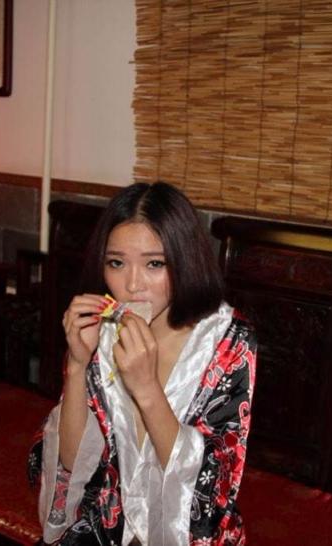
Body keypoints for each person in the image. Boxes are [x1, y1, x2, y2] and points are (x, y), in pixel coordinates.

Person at [28, 182, 257, 545]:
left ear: (184, 260)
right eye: (116, 263)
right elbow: (73, 464)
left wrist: (147, 389)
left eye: (154, 264)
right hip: (105, 527)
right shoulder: (101, 331)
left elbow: (210, 492)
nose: (132, 285)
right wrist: (77, 363)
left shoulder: (226, 341)